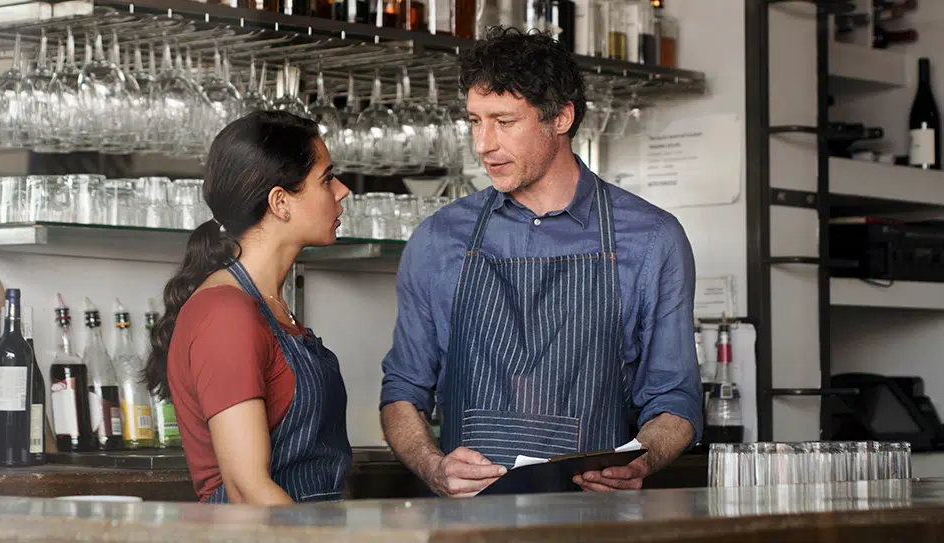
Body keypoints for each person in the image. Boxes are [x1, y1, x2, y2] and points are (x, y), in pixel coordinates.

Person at [379, 27, 702, 498]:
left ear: (561, 117)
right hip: (469, 526)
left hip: (595, 524)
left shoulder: (652, 238)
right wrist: (432, 467)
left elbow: (676, 400)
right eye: (475, 120)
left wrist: (642, 460)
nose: (483, 144)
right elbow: (402, 392)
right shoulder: (438, 238)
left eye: (504, 122)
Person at [143, 111, 352, 505]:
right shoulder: (226, 314)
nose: (342, 190)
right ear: (280, 202)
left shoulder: (271, 310)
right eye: (326, 179)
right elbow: (247, 490)